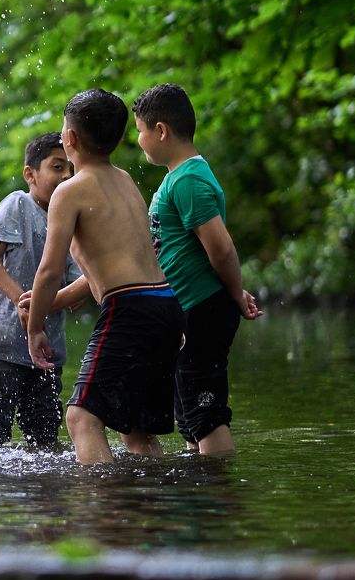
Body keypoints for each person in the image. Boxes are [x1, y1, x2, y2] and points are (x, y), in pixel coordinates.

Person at [25, 89, 185, 465]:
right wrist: (58, 299)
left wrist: (35, 327)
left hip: (128, 310)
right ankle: (147, 509)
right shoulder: (125, 180)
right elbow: (118, 268)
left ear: (70, 139)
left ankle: (104, 510)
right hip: (164, 305)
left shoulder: (69, 192)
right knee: (136, 428)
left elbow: (48, 270)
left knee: (81, 417)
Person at [132, 83, 263, 456]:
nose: (139, 140)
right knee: (189, 410)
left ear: (161, 131)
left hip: (204, 307)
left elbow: (220, 247)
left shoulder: (188, 179)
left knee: (205, 410)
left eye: (140, 131)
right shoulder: (177, 178)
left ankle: (217, 500)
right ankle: (199, 494)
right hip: (189, 308)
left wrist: (235, 292)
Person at [0, 132, 85, 448]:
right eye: (57, 167)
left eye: (70, 168)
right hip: (0, 344)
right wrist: (23, 300)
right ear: (30, 175)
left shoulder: (72, 221)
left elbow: (79, 282)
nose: (66, 176)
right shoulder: (17, 204)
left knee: (45, 440)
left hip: (47, 352)